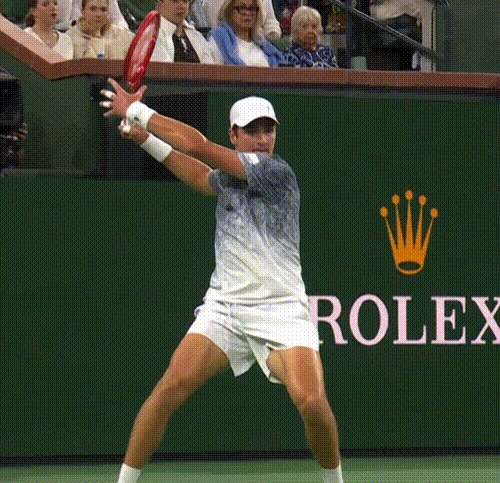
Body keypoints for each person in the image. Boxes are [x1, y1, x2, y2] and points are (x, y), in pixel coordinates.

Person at [100, 78, 345, 483]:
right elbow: (200, 176)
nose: (262, 139)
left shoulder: (277, 172)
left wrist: (137, 111)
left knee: (312, 403)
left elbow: (196, 146)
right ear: (234, 135)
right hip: (226, 308)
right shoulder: (231, 177)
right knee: (169, 388)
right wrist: (145, 139)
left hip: (282, 310)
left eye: (268, 130)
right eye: (252, 131)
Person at [208, 0, 284, 66]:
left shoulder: (264, 46)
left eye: (252, 8)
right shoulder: (219, 39)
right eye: (241, 8)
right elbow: (214, 73)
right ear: (229, 11)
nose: (247, 13)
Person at [66, 0, 134, 59]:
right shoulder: (70, 37)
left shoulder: (123, 35)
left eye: (103, 10)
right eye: (93, 9)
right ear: (82, 12)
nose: (98, 14)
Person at [203, 0, 281, 39]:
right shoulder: (212, 2)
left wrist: (270, 37)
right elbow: (216, 26)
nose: (247, 13)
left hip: (258, 42)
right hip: (227, 41)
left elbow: (271, 23)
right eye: (242, 8)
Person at [55, 0, 128, 30]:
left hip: (101, 38)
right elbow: (56, 25)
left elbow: (119, 20)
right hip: (71, 36)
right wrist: (74, 24)